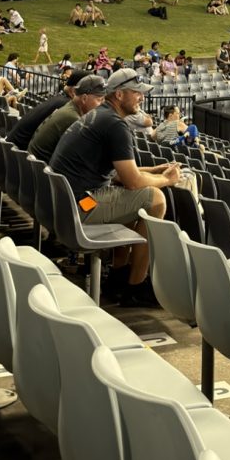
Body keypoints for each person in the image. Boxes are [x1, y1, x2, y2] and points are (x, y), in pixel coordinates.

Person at [50, 70, 181, 306]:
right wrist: (166, 180)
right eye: (136, 92)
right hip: (82, 206)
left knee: (128, 198)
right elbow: (133, 181)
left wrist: (155, 170)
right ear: (119, 95)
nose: (142, 97)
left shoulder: (99, 116)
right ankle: (135, 287)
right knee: (156, 199)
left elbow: (122, 175)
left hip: (68, 205)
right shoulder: (115, 125)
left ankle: (118, 276)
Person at [28, 74, 106, 161]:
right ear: (84, 98)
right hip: (43, 166)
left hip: (36, 162)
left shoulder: (70, 107)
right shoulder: (73, 119)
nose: (102, 104)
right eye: (99, 100)